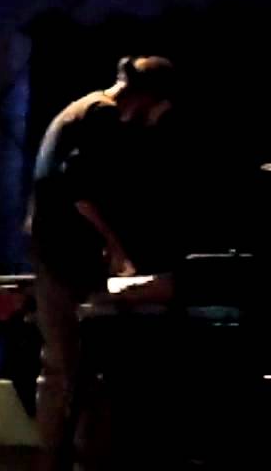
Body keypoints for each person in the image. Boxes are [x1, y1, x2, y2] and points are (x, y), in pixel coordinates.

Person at [23, 54, 177, 470]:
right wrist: (116, 248)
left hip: (51, 248)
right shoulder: (101, 115)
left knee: (67, 371)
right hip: (65, 255)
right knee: (68, 369)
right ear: (148, 98)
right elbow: (79, 191)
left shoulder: (82, 108)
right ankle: (60, 460)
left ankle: (62, 457)